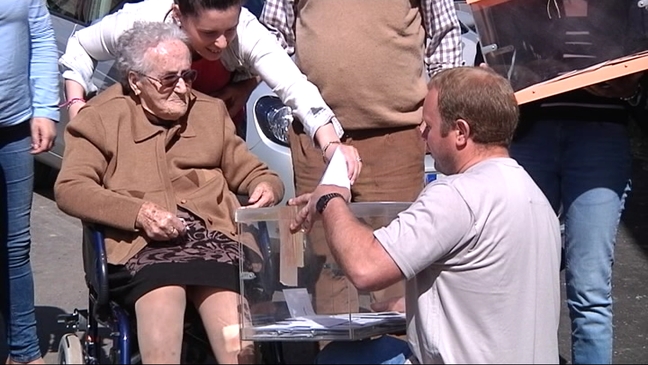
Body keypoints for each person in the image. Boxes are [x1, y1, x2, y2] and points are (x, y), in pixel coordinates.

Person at [288, 67, 562, 364]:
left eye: (428, 125)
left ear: (460, 132)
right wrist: (416, 304)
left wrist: (331, 198)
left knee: (335, 360)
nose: (421, 133)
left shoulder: (457, 195)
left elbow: (364, 268)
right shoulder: (535, 196)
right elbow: (496, 295)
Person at [54, 22, 284, 364]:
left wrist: (266, 185)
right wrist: (139, 213)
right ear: (135, 81)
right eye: (168, 80)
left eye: (188, 77)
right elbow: (71, 188)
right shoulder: (101, 118)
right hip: (141, 248)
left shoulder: (210, 112)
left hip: (213, 244)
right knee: (163, 295)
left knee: (237, 344)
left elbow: (252, 170)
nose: (182, 89)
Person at [261, 0, 463, 314]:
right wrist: (303, 98)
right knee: (327, 261)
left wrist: (440, 111)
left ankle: (395, 357)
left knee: (395, 257)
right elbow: (272, 37)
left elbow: (445, 34)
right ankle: (335, 354)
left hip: (395, 135)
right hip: (317, 138)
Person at [59, 0, 361, 182]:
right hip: (139, 137)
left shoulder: (246, 31)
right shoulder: (139, 22)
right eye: (208, 33)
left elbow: (294, 86)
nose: (221, 43)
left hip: (207, 139)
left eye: (228, 30)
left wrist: (331, 144)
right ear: (178, 14)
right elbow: (81, 46)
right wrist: (77, 105)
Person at [495, 1, 647, 362]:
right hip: (531, 137)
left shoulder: (625, 7)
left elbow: (640, 62)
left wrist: (630, 84)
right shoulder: (519, 6)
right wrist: (528, 70)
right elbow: (496, 58)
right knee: (518, 276)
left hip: (600, 140)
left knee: (590, 289)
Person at [0, 1, 59, 364]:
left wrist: (45, 108)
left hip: (14, 128)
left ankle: (23, 351)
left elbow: (40, 35)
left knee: (15, 245)